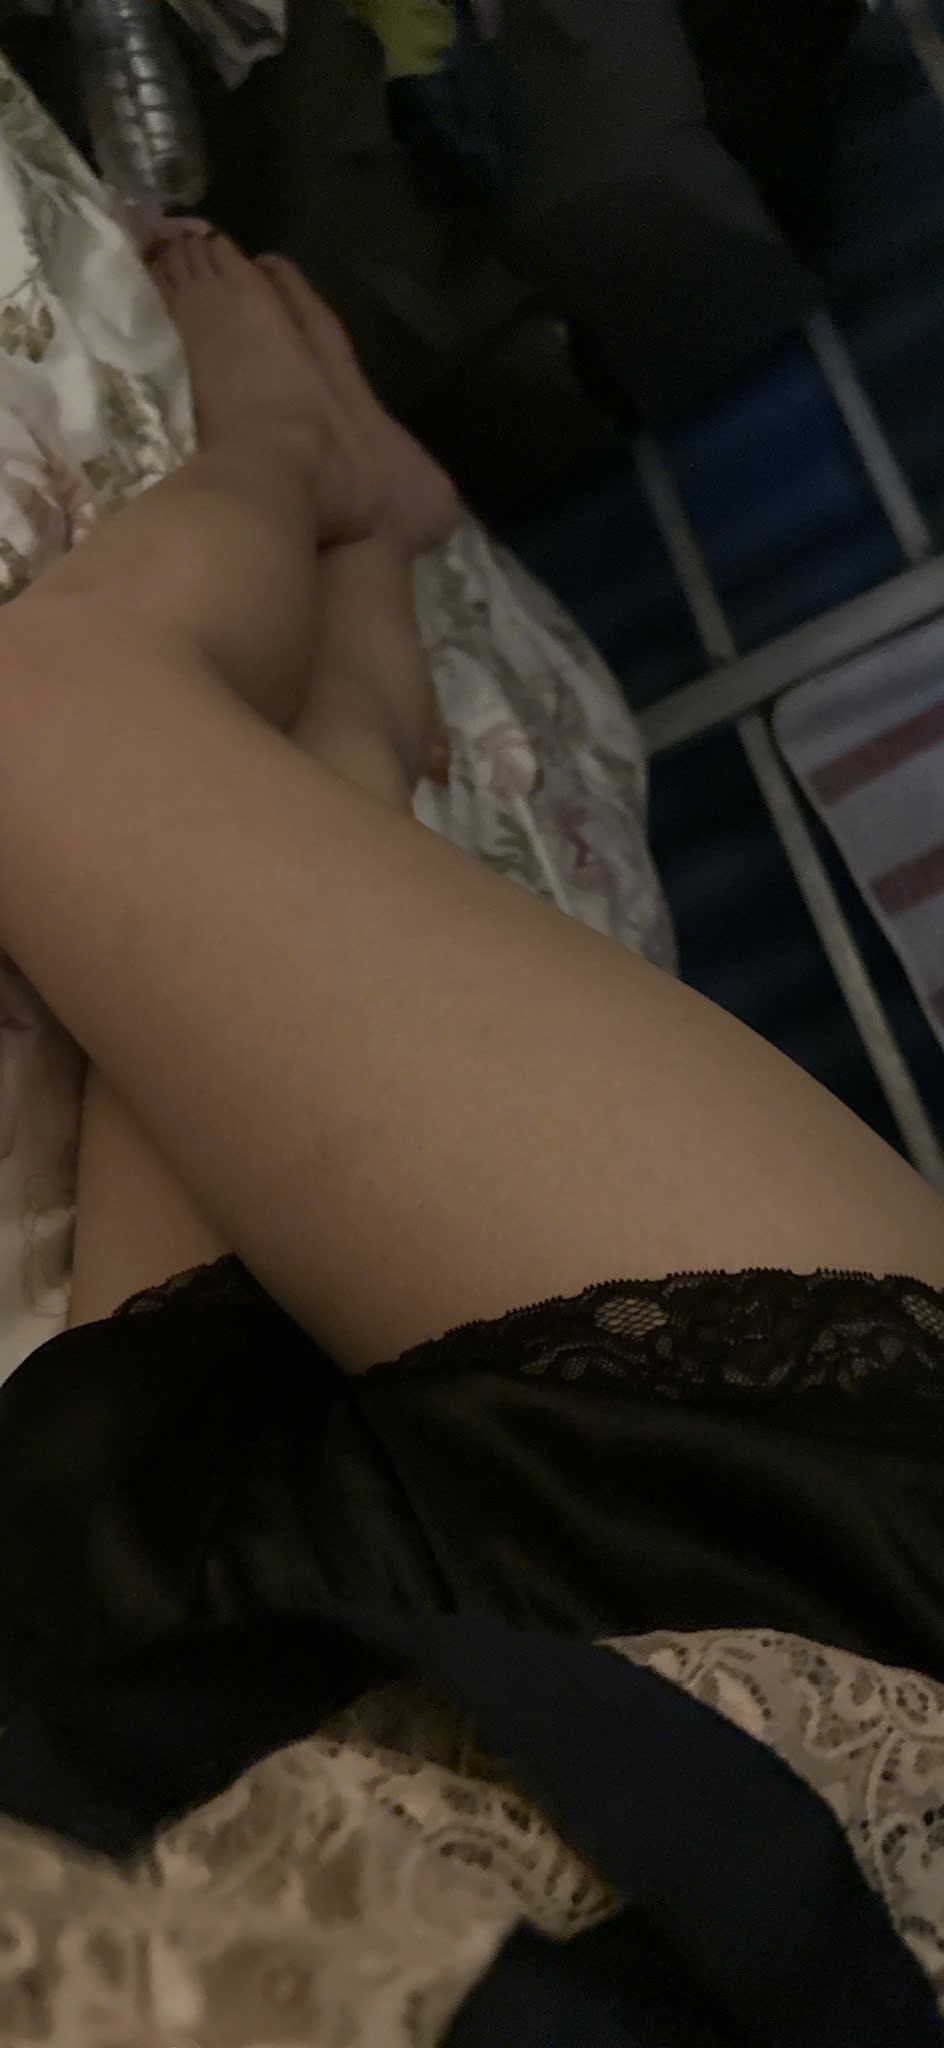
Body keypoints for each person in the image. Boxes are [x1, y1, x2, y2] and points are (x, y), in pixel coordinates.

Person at [0, 230, 943, 2042]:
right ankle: (299, 457)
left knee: (178, 1016)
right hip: (791, 1611)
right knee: (53, 713)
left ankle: (365, 577)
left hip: (251, 1777)